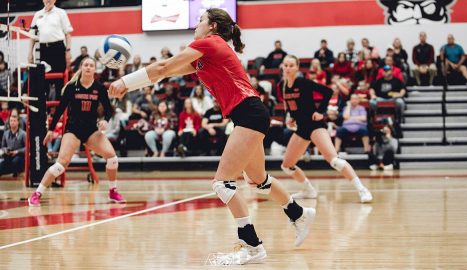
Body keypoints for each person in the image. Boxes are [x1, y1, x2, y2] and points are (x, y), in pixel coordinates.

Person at [108, 8, 316, 265]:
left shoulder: (210, 43)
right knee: (258, 180)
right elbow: (163, 73)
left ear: (213, 27)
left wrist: (125, 82)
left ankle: (253, 247)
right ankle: (299, 213)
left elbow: (163, 64)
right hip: (249, 114)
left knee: (222, 183)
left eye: (200, 20)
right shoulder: (203, 57)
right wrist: (129, 85)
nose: (196, 25)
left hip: (249, 114)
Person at [28, 57, 125, 206]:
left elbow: (108, 110)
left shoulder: (99, 88)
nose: (88, 67)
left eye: (91, 65)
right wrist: (51, 130)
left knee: (112, 158)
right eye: (85, 65)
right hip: (73, 130)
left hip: (91, 131)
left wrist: (105, 120)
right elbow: (60, 109)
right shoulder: (72, 87)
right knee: (61, 164)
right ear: (81, 68)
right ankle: (36, 193)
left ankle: (113, 191)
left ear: (94, 69)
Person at [278, 55, 372, 203]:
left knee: (334, 161)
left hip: (315, 126)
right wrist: (293, 118)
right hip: (302, 128)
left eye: (291, 66)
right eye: (286, 65)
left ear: (297, 68)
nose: (288, 68)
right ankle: (309, 190)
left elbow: (328, 92)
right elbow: (293, 105)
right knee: (287, 166)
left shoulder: (303, 82)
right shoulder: (282, 85)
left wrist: (320, 111)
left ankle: (362, 189)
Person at [28, 0, 73, 98]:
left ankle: (60, 111)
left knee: (59, 82)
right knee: (43, 82)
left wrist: (68, 51)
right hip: (43, 50)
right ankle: (44, 111)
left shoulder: (61, 13)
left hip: (58, 49)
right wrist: (30, 53)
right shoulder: (37, 14)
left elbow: (68, 34)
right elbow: (32, 36)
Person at [0, 111, 26, 177]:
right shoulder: (5, 133)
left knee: (15, 161)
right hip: (8, 156)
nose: (12, 122)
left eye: (14, 121)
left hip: (19, 156)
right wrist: (6, 150)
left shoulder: (23, 134)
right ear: (9, 122)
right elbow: (3, 146)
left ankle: (17, 171)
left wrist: (17, 151)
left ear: (18, 122)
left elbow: (27, 148)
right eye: (11, 121)